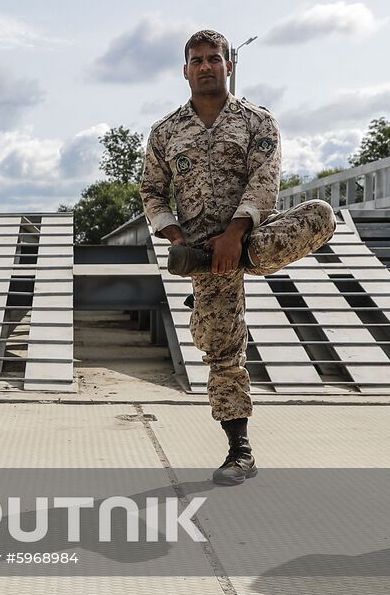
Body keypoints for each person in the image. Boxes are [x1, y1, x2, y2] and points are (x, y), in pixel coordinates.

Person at [141, 29, 336, 486]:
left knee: (320, 215)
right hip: (202, 256)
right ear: (184, 70)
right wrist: (175, 238)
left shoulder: (256, 121)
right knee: (221, 350)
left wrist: (235, 236)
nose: (206, 65)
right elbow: (152, 190)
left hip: (250, 238)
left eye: (214, 58)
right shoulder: (166, 132)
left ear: (230, 65)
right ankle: (239, 450)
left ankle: (243, 255)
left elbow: (265, 181)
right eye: (196, 60)